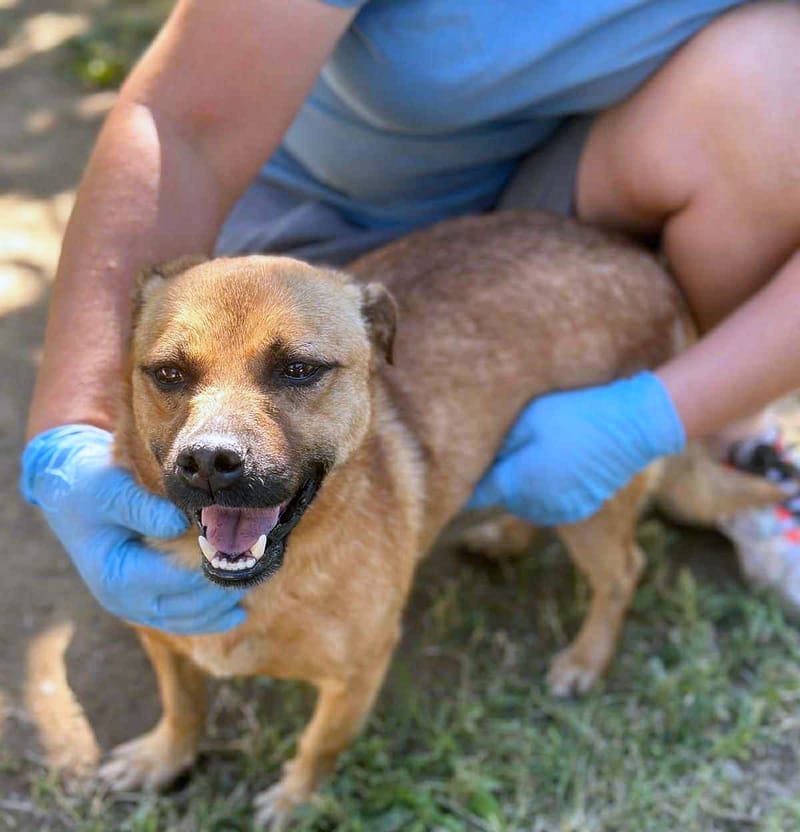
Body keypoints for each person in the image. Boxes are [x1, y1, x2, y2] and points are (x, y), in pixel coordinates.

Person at [21, 0, 800, 634]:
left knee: (779, 83)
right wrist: (75, 419)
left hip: (557, 217)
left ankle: (731, 433)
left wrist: (660, 413)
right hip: (310, 248)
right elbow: (181, 125)